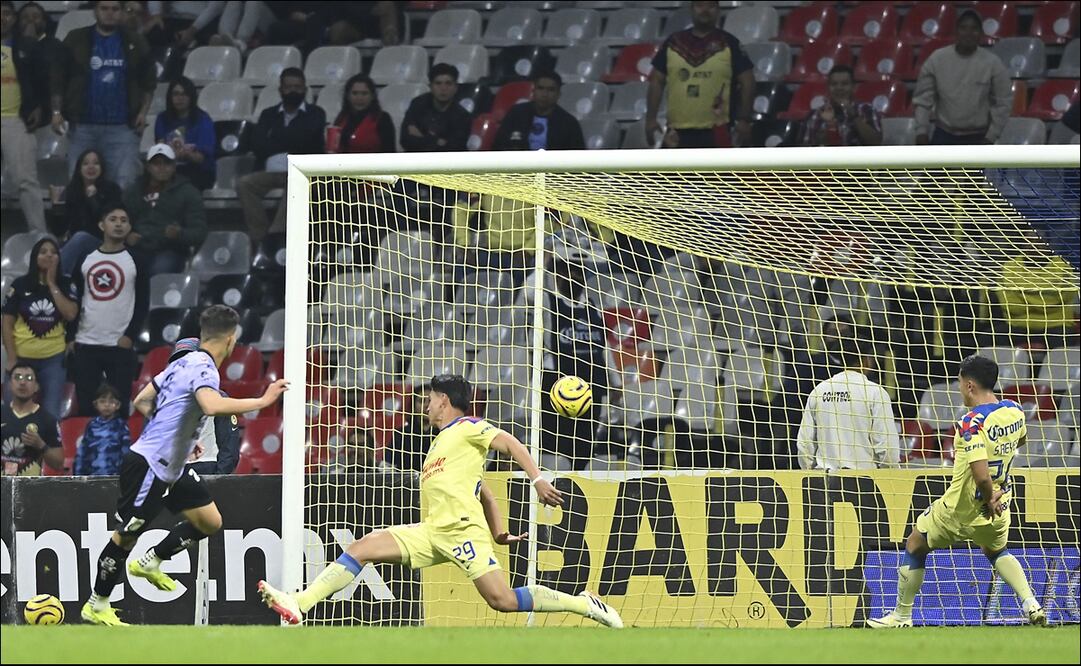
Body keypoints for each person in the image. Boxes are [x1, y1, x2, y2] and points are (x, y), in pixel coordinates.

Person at [257, 374, 623, 629]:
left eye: (429, 399)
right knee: (362, 546)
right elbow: (485, 492)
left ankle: (584, 604)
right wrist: (499, 532)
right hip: (434, 530)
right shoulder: (443, 442)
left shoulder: (468, 428)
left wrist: (537, 479)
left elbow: (510, 442)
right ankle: (299, 603)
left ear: (444, 401)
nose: (426, 405)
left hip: (462, 530)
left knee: (503, 600)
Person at [80, 305, 288, 626]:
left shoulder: (182, 362)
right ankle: (97, 602)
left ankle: (153, 561)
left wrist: (182, 437)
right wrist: (262, 401)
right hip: (150, 465)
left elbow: (142, 401)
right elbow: (211, 404)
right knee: (127, 536)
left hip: (173, 464)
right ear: (231, 340)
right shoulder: (204, 366)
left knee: (210, 522)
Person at [868, 355, 1047, 628]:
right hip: (1001, 504)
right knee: (996, 550)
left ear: (970, 385)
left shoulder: (971, 422)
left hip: (964, 507)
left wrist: (988, 496)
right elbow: (1021, 439)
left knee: (915, 543)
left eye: (961, 383)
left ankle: (901, 616)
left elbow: (980, 474)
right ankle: (1031, 604)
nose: (960, 388)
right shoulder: (1014, 410)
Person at [50, 0, 156, 191]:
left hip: (123, 127)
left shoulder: (136, 42)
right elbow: (58, 78)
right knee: (80, 186)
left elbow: (148, 83)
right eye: (104, 8)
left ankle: (121, 221)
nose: (109, 13)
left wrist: (143, 112)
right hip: (83, 126)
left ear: (122, 12)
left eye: (115, 9)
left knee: (124, 185)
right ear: (95, 11)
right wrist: (56, 111)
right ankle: (81, 222)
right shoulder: (75, 39)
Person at [69, 205, 148, 418]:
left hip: (119, 344)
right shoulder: (85, 259)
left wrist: (130, 336)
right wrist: (71, 335)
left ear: (130, 226)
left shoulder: (136, 260)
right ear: (102, 225)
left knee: (119, 407)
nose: (119, 224)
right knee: (86, 405)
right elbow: (75, 299)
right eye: (113, 219)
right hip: (86, 342)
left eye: (124, 220)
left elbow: (143, 303)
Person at [646, 0, 755, 148]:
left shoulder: (730, 43)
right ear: (691, 9)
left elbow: (748, 81)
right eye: (700, 5)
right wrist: (651, 119)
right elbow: (657, 80)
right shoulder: (673, 43)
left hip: (718, 130)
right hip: (676, 132)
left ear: (718, 11)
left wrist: (744, 119)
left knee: (717, 172)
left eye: (711, 6)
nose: (705, 10)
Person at [237, 67, 325, 242]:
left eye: (298, 87)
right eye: (288, 87)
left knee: (296, 184)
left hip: (300, 172)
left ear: (305, 90)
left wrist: (276, 139)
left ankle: (275, 237)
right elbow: (257, 145)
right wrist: (293, 138)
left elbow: (309, 142)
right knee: (244, 184)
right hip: (269, 172)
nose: (293, 91)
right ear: (280, 90)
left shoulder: (316, 113)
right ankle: (260, 237)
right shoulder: (268, 114)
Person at [1, 238, 79, 418]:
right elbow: (7, 322)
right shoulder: (20, 285)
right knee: (11, 412)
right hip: (21, 357)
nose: (49, 255)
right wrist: (12, 358)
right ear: (35, 257)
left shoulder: (66, 284)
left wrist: (52, 283)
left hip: (52, 360)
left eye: (53, 252)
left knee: (51, 413)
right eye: (44, 252)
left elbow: (70, 314)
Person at [795, 338, 900, 471]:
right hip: (864, 479)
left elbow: (804, 444)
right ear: (867, 360)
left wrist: (809, 473)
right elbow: (887, 446)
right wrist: (889, 475)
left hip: (824, 479)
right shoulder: (874, 392)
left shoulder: (819, 390)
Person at [913, 10, 1012, 145]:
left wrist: (991, 137)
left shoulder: (993, 63)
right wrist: (921, 132)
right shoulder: (937, 59)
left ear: (981, 34)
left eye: (974, 29)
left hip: (979, 137)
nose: (968, 34)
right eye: (963, 28)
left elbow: (1003, 103)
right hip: (943, 135)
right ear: (956, 32)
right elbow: (923, 100)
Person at [122, 143, 208, 276]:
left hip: (170, 251)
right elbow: (119, 222)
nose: (162, 168)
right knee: (113, 263)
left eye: (167, 163)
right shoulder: (133, 191)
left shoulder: (189, 192)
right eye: (157, 163)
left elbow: (199, 232)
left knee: (159, 270)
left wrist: (179, 234)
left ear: (174, 167)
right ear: (148, 167)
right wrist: (126, 236)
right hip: (137, 249)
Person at [1, 0, 48, 233]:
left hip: (15, 121)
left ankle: (39, 236)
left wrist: (38, 106)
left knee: (26, 181)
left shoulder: (27, 46)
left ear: (14, 19)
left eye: (7, 14)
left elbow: (42, 81)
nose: (2, 18)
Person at [58, 149, 124, 276]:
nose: (91, 167)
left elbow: (108, 224)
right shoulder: (72, 190)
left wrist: (93, 199)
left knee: (80, 237)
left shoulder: (112, 189)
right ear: (79, 168)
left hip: (104, 243)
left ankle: (54, 275)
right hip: (75, 243)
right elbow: (60, 230)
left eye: (96, 163)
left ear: (102, 167)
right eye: (86, 163)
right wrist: (57, 209)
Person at [492, 70, 584, 151]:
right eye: (540, 88)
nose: (544, 94)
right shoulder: (516, 114)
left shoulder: (569, 123)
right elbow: (498, 146)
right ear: (533, 91)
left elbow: (578, 159)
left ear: (558, 94)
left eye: (551, 90)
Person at [154, 76, 216, 190]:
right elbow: (160, 148)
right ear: (170, 97)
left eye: (184, 94)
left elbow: (201, 159)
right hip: (169, 168)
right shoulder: (162, 118)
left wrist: (186, 154)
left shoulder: (203, 119)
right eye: (176, 94)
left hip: (198, 170)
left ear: (191, 97)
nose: (180, 98)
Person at [1, 363, 63, 475]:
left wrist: (41, 445)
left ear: (36, 387)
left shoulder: (48, 420)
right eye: (17, 377)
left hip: (30, 488)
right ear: (10, 384)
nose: (22, 382)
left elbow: (59, 464)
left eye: (29, 378)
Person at [799, 65, 882, 147]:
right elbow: (804, 153)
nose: (839, 88)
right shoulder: (814, 115)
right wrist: (819, 142)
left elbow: (876, 143)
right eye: (834, 84)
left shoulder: (867, 110)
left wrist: (854, 117)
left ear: (853, 87)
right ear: (828, 87)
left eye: (845, 84)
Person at [400, 63, 470, 153]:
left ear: (455, 88)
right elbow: (405, 140)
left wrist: (424, 138)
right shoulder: (418, 104)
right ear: (431, 87)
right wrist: (438, 141)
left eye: (448, 83)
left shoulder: (462, 116)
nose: (443, 88)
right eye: (438, 83)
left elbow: (454, 150)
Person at [326, 74, 395, 154]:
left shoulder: (383, 119)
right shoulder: (342, 117)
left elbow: (389, 152)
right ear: (347, 96)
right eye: (355, 93)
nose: (359, 98)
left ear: (372, 96)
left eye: (364, 93)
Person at [73, 382, 131, 475]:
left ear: (118, 405)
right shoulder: (91, 425)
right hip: (92, 475)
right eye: (102, 401)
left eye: (111, 402)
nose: (107, 405)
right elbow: (82, 451)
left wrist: (124, 474)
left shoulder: (121, 425)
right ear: (95, 404)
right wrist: (78, 475)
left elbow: (125, 452)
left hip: (114, 476)